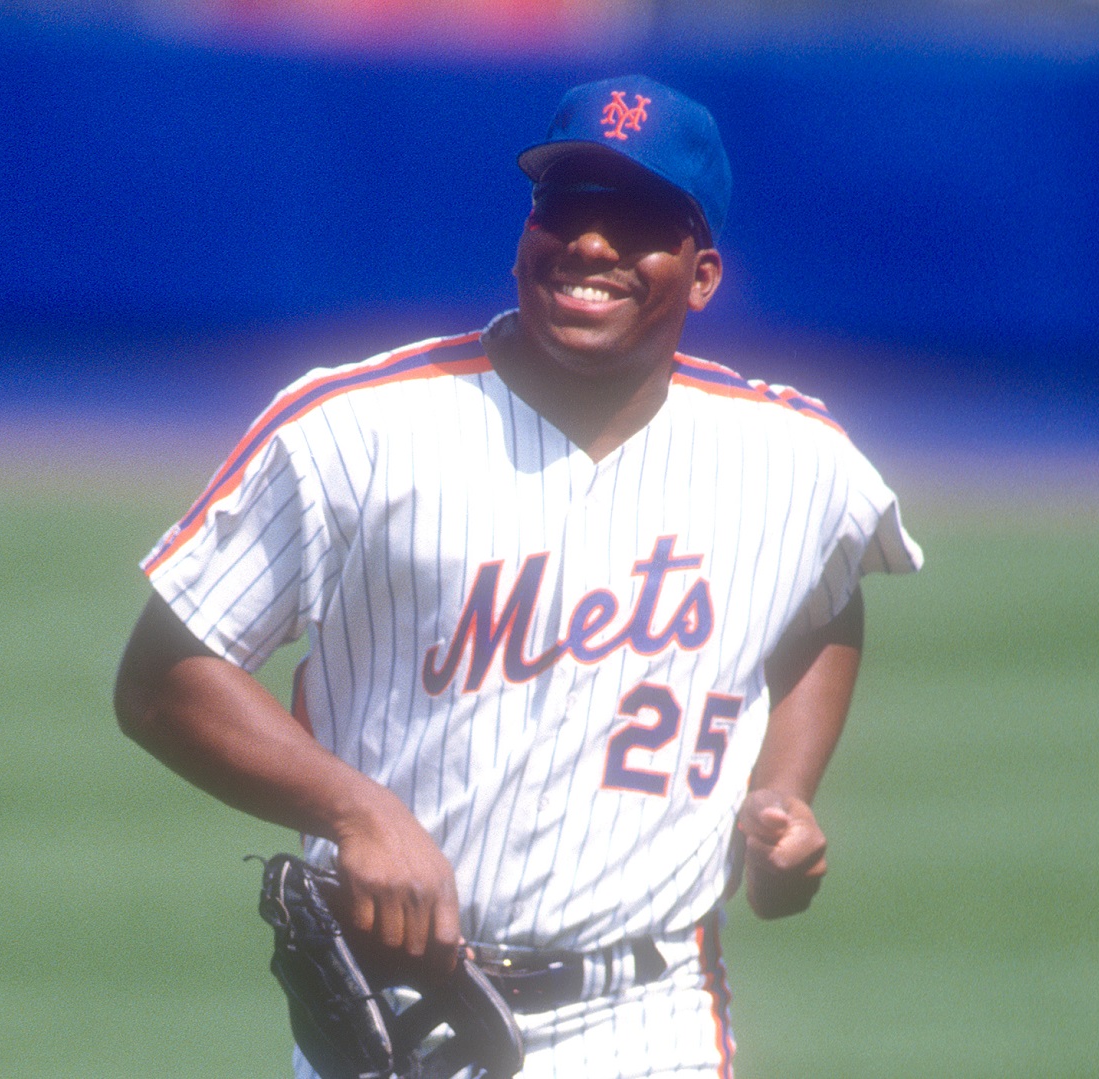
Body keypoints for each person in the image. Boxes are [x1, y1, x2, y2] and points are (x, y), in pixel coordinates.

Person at [114, 75, 922, 1079]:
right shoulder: (356, 429)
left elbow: (826, 600)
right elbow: (161, 678)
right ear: (524, 236)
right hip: (402, 1014)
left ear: (703, 272)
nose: (592, 245)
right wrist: (351, 806)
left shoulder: (795, 458)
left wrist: (786, 791)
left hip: (652, 1015)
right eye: (567, 209)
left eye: (638, 223)